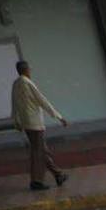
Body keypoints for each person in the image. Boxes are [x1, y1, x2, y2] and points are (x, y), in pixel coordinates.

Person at [11, 59, 69, 191]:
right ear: (26, 70)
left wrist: (16, 121)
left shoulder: (16, 84)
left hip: (26, 123)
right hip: (35, 123)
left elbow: (14, 104)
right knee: (38, 152)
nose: (30, 71)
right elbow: (42, 100)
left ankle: (58, 174)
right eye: (29, 69)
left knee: (41, 150)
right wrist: (59, 116)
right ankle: (36, 181)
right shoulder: (28, 83)